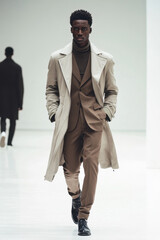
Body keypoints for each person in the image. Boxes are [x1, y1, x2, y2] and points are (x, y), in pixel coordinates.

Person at [45, 10, 119, 236]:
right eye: (75, 28)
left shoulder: (105, 59)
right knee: (70, 170)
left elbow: (111, 91)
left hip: (94, 121)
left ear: (90, 30)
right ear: (71, 29)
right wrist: (54, 112)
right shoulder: (57, 58)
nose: (79, 32)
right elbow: (51, 89)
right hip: (68, 122)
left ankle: (84, 217)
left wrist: (107, 112)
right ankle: (75, 197)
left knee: (91, 167)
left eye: (83, 28)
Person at [0, 47, 24, 147]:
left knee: (3, 118)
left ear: (5, 53)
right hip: (14, 99)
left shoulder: (0, 66)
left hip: (2, 97)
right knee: (13, 121)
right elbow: (20, 86)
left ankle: (3, 133)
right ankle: (9, 142)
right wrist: (20, 103)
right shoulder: (17, 67)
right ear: (12, 53)